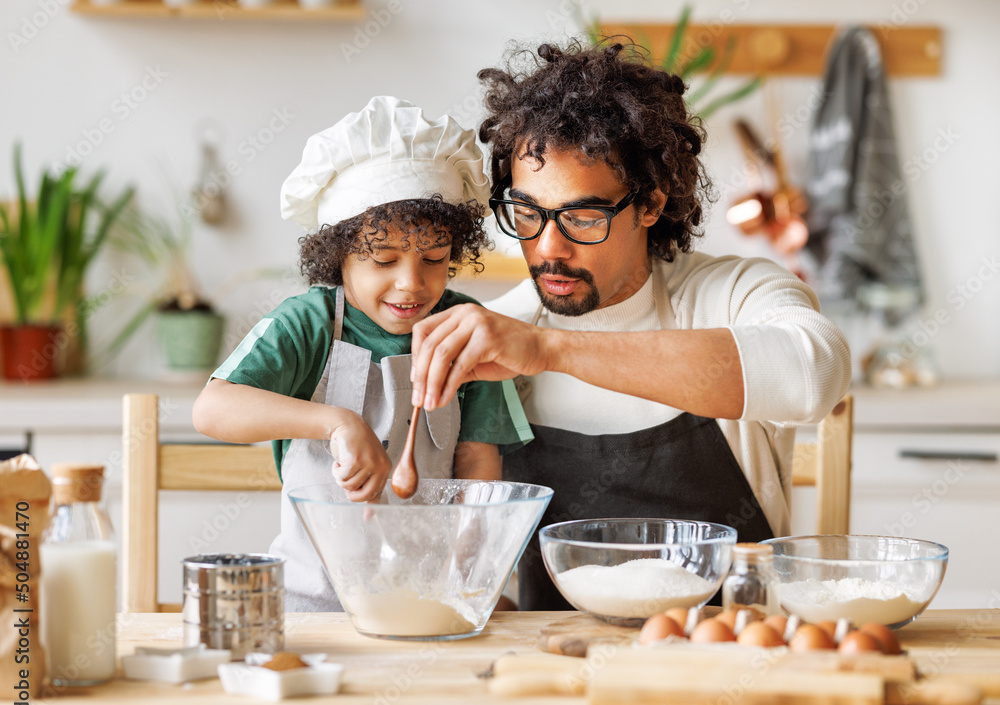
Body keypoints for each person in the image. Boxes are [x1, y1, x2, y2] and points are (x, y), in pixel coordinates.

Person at [408, 42, 852, 610]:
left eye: (583, 216)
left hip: (735, 657)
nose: (548, 247)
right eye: (526, 213)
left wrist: (551, 350)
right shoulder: (503, 332)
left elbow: (812, 374)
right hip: (552, 664)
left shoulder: (731, 295)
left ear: (650, 204)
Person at [192, 96, 532, 612]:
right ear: (338, 257)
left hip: (424, 604)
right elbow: (212, 409)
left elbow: (478, 463)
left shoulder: (464, 328)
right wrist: (338, 424)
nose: (411, 284)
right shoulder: (306, 325)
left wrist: (465, 578)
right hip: (311, 607)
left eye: (434, 259)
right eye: (384, 260)